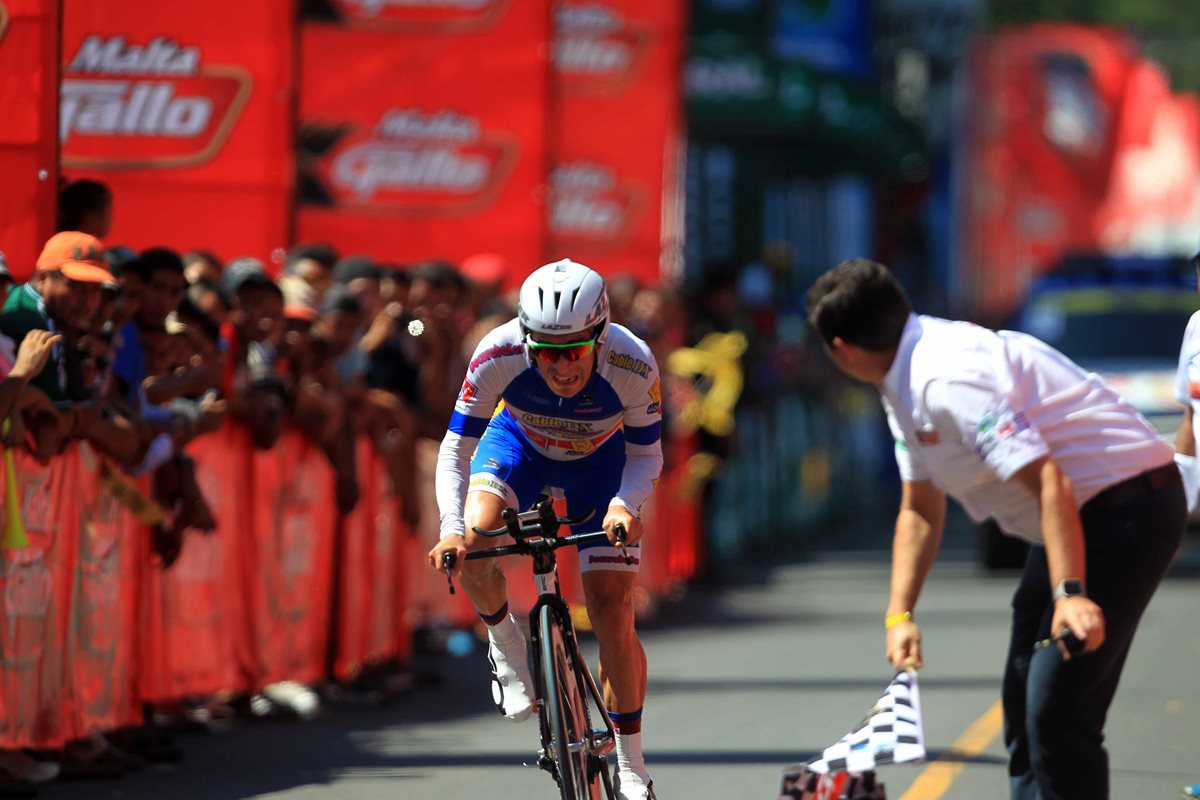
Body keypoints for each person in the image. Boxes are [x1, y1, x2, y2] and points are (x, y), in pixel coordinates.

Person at [805, 258, 1186, 800]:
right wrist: (899, 615)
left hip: (1127, 508)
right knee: (1024, 701)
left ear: (841, 348)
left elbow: (1048, 479)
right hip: (1073, 515)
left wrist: (1070, 593)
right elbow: (920, 507)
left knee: (1057, 711)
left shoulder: (946, 379)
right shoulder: (904, 377)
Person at [427, 259, 663, 800]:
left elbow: (647, 455)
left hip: (601, 466)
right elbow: (456, 447)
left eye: (574, 351)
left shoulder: (631, 360)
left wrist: (625, 505)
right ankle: (505, 642)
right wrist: (451, 527)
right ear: (527, 341)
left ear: (599, 336)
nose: (561, 366)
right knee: (477, 537)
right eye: (547, 352)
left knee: (612, 609)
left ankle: (631, 763)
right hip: (519, 448)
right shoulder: (497, 351)